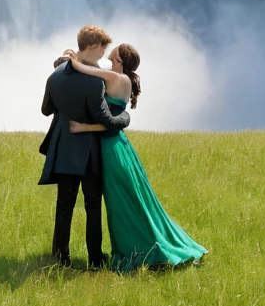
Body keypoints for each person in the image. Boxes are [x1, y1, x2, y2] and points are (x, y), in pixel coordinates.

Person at [62, 42, 208, 272]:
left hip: (112, 149)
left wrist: (73, 59)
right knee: (131, 202)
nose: (112, 49)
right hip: (119, 148)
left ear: (119, 59)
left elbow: (89, 78)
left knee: (124, 205)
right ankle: (139, 246)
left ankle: (138, 251)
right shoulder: (119, 78)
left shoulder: (116, 78)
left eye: (116, 50)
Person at [38, 25, 130, 269]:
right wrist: (125, 119)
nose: (104, 55)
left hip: (63, 148)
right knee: (92, 205)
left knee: (64, 205)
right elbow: (107, 121)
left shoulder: (55, 75)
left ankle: (60, 257)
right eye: (102, 49)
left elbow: (46, 110)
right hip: (88, 152)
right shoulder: (93, 83)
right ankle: (95, 258)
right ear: (91, 46)